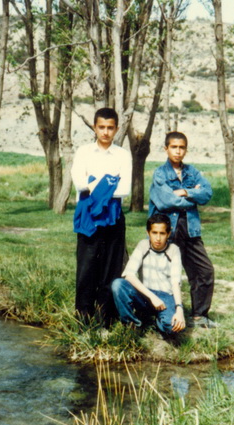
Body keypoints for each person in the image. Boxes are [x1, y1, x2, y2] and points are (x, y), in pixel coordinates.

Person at [148, 131, 217, 328]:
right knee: (163, 274)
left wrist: (185, 191)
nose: (178, 151)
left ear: (186, 150)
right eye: (174, 147)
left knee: (204, 271)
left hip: (190, 230)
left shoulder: (192, 172)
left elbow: (207, 193)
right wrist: (192, 198)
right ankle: (159, 314)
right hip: (167, 231)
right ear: (166, 149)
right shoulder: (160, 173)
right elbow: (165, 200)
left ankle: (199, 316)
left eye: (181, 147)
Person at [71, 107, 132, 323]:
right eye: (101, 127)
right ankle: (83, 319)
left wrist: (94, 182)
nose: (106, 132)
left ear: (117, 129)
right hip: (88, 215)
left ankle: (106, 319)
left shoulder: (123, 155)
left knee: (110, 269)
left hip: (113, 215)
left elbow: (124, 189)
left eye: (110, 128)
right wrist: (109, 182)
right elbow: (79, 182)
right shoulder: (84, 152)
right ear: (94, 127)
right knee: (86, 268)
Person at [111, 213, 186, 335]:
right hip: (145, 294)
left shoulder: (174, 249)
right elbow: (129, 275)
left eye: (162, 233)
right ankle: (132, 325)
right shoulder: (143, 245)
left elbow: (175, 283)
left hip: (165, 296)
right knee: (118, 284)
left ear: (168, 234)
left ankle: (157, 320)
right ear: (148, 233)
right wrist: (152, 297)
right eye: (154, 233)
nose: (158, 238)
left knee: (173, 328)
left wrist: (179, 309)